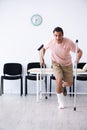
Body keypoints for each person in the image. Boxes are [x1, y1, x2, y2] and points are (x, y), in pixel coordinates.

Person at [39, 26, 83, 109]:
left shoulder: (69, 42)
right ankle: (61, 103)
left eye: (59, 35)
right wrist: (41, 58)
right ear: (53, 35)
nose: (57, 37)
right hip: (56, 63)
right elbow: (42, 49)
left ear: (63, 35)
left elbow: (80, 51)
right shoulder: (51, 41)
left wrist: (77, 59)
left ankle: (63, 85)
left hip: (67, 64)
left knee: (70, 83)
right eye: (55, 35)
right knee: (58, 80)